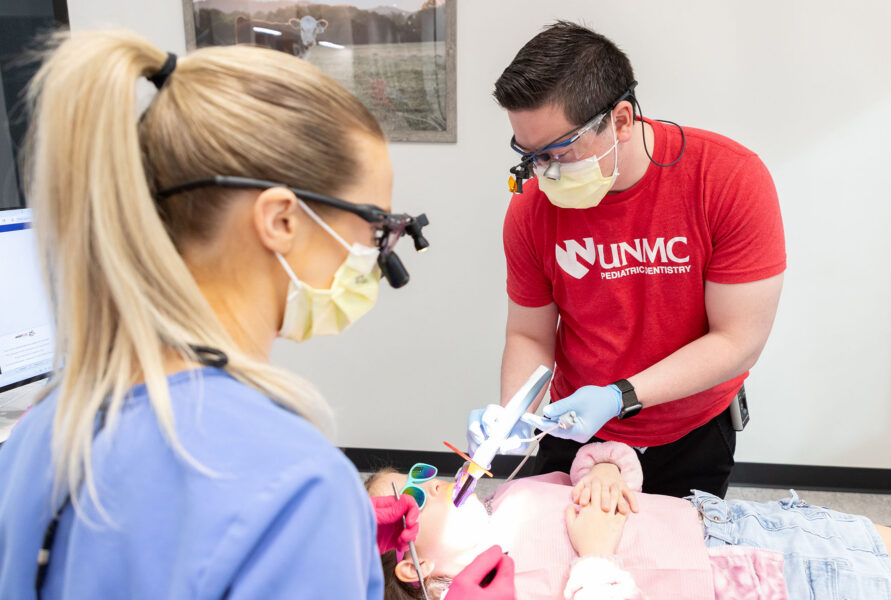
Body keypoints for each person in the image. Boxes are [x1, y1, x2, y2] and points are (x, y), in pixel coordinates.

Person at [0, 29, 511, 599]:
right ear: (281, 221)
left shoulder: (44, 429)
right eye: (375, 229)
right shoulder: (297, 486)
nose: (378, 258)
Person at [468, 21, 787, 499]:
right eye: (529, 155)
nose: (543, 172)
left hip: (691, 429)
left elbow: (738, 340)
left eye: (558, 152)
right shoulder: (533, 208)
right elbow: (529, 333)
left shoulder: (727, 180)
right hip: (577, 429)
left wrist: (620, 397)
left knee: (676, 559)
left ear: (620, 119)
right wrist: (513, 412)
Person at [367, 446, 891, 599]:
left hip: (729, 521)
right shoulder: (494, 594)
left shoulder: (512, 495)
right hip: (742, 585)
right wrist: (595, 554)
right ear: (414, 567)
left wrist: (600, 467)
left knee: (875, 541)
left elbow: (616, 465)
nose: (435, 483)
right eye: (413, 493)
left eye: (424, 472)